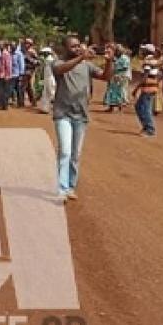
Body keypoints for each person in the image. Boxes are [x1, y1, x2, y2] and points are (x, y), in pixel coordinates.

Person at [52, 36, 114, 202]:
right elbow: (60, 70)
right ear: (65, 49)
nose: (77, 48)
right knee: (65, 151)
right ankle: (62, 188)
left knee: (75, 154)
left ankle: (71, 186)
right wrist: (82, 57)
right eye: (73, 47)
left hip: (81, 115)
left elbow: (105, 77)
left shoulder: (87, 66)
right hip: (62, 113)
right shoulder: (58, 63)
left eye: (79, 46)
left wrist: (109, 61)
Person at [132, 60, 160, 136]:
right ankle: (146, 126)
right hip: (150, 88)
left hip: (148, 89)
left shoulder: (148, 63)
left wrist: (136, 89)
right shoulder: (151, 62)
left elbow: (144, 78)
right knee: (139, 107)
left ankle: (150, 129)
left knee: (145, 108)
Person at [103, 44, 130, 112]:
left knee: (119, 91)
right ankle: (111, 107)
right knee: (111, 90)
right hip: (113, 76)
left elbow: (125, 68)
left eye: (118, 51)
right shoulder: (115, 58)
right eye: (116, 50)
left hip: (120, 76)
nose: (117, 52)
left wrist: (118, 73)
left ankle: (120, 107)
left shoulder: (125, 58)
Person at [37, 46, 56, 113]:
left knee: (52, 93)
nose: (43, 54)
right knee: (45, 93)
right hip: (47, 78)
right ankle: (45, 109)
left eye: (44, 53)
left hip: (51, 78)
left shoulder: (50, 60)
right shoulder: (47, 60)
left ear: (48, 53)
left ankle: (55, 108)